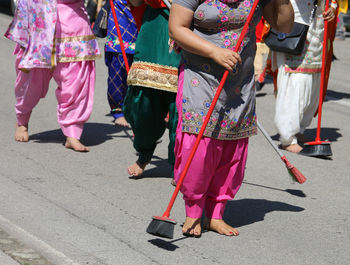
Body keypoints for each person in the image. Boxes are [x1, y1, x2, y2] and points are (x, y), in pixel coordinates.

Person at [168, 0, 294, 237]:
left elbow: (283, 27)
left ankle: (216, 214)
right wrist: (213, 51)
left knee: (230, 148)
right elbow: (176, 28)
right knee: (199, 146)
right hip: (200, 77)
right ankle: (193, 212)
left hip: (239, 82)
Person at [5, 0, 101, 152]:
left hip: (73, 25)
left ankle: (72, 132)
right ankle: (22, 120)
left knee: (76, 83)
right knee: (31, 84)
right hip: (39, 24)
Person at [124, 0, 181, 177]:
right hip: (153, 28)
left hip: (185, 25)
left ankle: (179, 162)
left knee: (179, 108)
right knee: (142, 103)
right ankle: (144, 153)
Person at [273, 0, 337, 153]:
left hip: (316, 30)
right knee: (295, 82)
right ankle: (287, 136)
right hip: (294, 27)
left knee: (312, 83)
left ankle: (299, 129)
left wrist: (332, 8)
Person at [103, 0, 144, 127]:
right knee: (118, 68)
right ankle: (118, 110)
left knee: (142, 69)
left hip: (144, 17)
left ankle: (138, 109)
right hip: (121, 18)